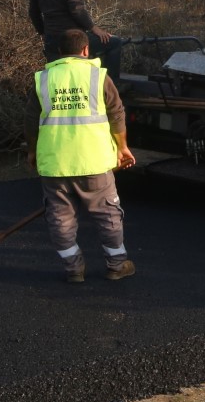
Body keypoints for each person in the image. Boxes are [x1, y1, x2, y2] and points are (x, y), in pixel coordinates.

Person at [26, 28, 137, 283]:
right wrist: (122, 148)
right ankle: (117, 266)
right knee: (107, 214)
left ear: (60, 52)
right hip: (94, 161)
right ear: (86, 50)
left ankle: (73, 269)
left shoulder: (43, 79)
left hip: (55, 164)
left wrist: (32, 151)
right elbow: (117, 114)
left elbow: (30, 121)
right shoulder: (98, 77)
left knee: (60, 218)